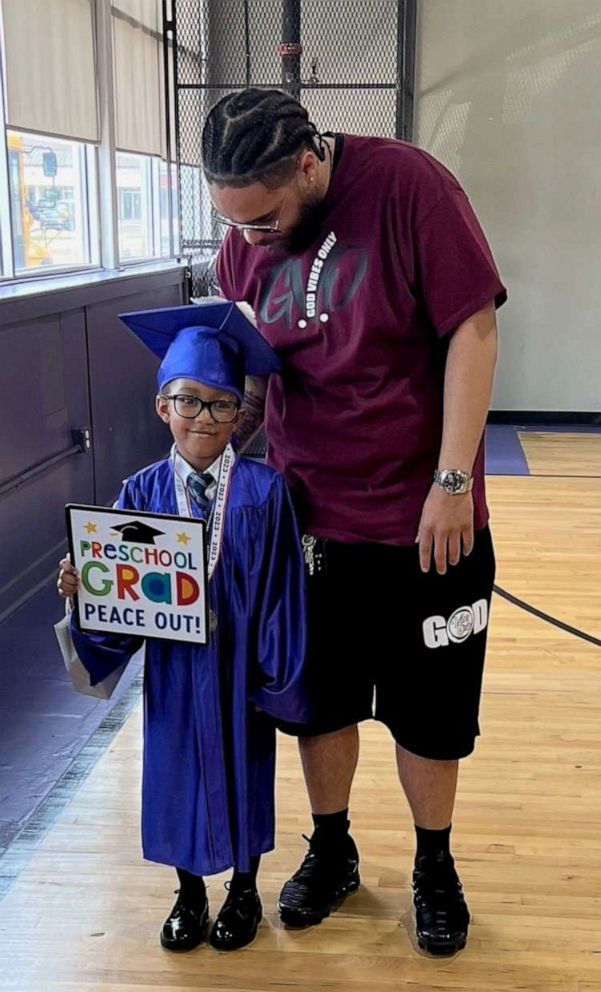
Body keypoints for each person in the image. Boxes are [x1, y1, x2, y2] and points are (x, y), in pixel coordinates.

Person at [201, 87, 506, 955]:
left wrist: (452, 480)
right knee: (319, 702)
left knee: (429, 711)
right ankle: (331, 849)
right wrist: (225, 427)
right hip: (307, 512)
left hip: (424, 514)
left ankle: (433, 865)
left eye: (263, 221)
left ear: (308, 163)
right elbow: (263, 363)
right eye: (235, 225)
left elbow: (473, 331)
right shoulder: (243, 238)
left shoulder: (410, 186)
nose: (250, 240)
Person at [56, 300, 311, 953]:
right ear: (161, 407)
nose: (205, 418)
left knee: (245, 770)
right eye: (189, 402)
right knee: (175, 774)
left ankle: (245, 890)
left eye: (222, 405)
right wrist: (85, 591)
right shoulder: (138, 493)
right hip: (172, 670)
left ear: (239, 416)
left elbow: (284, 589)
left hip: (238, 666)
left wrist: (276, 679)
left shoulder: (264, 491)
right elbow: (118, 600)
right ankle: (189, 893)